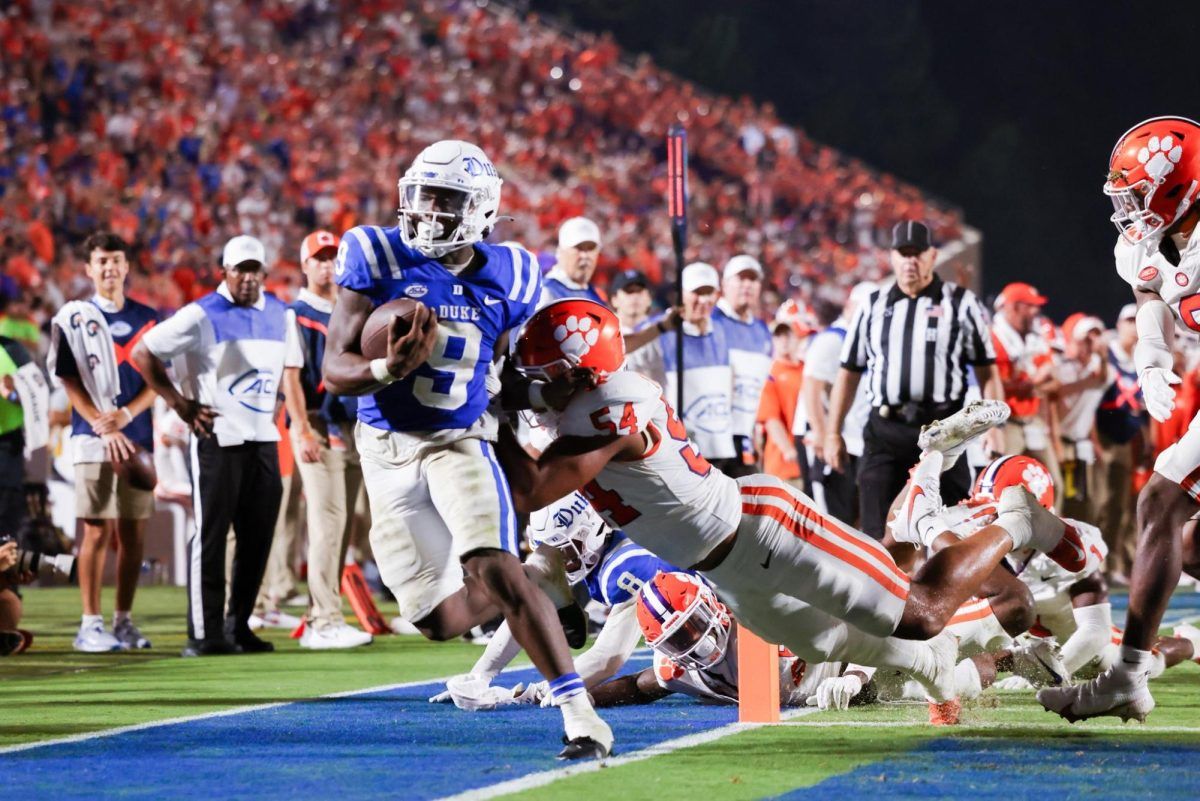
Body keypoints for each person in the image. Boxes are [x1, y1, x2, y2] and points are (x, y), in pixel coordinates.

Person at [500, 298, 1087, 709]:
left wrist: (484, 413)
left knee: (922, 612)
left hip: (764, 528)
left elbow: (529, 489)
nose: (537, 387)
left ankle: (1016, 518)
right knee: (823, 645)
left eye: (548, 376)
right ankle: (932, 659)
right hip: (721, 568)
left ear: (585, 375)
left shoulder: (609, 411)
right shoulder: (583, 403)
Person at [320, 140, 612, 760]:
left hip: (461, 438)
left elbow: (507, 381)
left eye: (445, 200)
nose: (428, 212)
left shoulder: (510, 271)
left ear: (480, 210)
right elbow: (333, 368)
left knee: (490, 564)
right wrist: (383, 367)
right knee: (436, 620)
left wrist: (544, 388)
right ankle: (540, 587)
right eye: (422, 197)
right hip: (385, 447)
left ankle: (579, 713)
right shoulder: (373, 253)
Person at [1040, 115, 1200, 722]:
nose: (1127, 207)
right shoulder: (1159, 241)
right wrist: (1153, 360)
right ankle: (1129, 675)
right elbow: (1151, 292)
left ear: (1175, 185)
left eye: (1137, 192)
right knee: (1188, 543)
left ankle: (1127, 676)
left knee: (1160, 502)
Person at [133, 234, 303, 657]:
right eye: (238, 269)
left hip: (263, 440)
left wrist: (278, 404)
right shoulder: (200, 314)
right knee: (210, 536)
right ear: (223, 273)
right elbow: (142, 353)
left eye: (253, 270)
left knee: (257, 538)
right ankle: (204, 634)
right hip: (217, 439)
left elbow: (287, 371)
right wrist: (180, 404)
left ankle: (238, 626)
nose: (247, 278)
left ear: (265, 274)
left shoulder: (281, 315)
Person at [826, 221, 1003, 540]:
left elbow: (986, 368)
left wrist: (994, 430)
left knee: (954, 524)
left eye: (917, 253)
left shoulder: (960, 303)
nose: (910, 261)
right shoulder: (873, 304)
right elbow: (848, 372)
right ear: (892, 257)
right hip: (885, 431)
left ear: (932, 255)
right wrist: (831, 432)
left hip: (945, 429)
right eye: (903, 253)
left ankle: (954, 589)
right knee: (876, 531)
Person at [430, 490, 678, 709]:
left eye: (565, 549)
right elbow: (525, 608)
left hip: (707, 627)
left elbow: (608, 659)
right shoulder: (595, 547)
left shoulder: (623, 569)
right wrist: (479, 678)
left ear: (593, 531)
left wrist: (536, 692)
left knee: (669, 675)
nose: (558, 561)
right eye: (549, 550)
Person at [51, 232, 158, 653]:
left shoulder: (149, 318)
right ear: (88, 269)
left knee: (133, 535)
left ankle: (123, 621)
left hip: (137, 437)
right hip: (92, 437)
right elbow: (68, 378)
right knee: (95, 530)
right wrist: (101, 422)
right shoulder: (72, 318)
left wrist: (127, 416)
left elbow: (158, 381)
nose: (109, 267)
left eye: (116, 260)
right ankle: (89, 625)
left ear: (127, 266)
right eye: (101, 261)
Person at [281, 230, 372, 650]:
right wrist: (301, 429)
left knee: (344, 524)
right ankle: (324, 617)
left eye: (333, 257)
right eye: (319, 258)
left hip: (350, 427)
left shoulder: (348, 309)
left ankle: (326, 611)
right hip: (318, 425)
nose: (326, 264)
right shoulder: (295, 313)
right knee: (327, 523)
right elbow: (292, 378)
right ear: (304, 265)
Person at [802, 284, 877, 523]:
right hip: (836, 443)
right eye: (862, 308)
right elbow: (811, 389)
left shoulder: (863, 338)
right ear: (849, 306)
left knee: (858, 520)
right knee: (833, 524)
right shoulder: (832, 340)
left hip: (856, 442)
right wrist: (823, 435)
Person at [657, 262, 737, 472]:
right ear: (680, 294)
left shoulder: (722, 330)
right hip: (682, 449)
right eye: (696, 292)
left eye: (708, 292)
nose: (703, 300)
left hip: (722, 446)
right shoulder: (662, 331)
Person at [991, 282, 1062, 507]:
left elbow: (1050, 373)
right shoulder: (994, 338)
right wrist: (1025, 383)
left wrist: (1029, 382)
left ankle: (1053, 539)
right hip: (1007, 422)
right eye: (1030, 306)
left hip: (1032, 419)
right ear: (1014, 308)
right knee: (998, 484)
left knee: (1054, 483)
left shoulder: (1035, 335)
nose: (1035, 312)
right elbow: (995, 383)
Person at [1092, 303, 1149, 581]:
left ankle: (1112, 563)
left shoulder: (1141, 357)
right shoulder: (1107, 354)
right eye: (1130, 321)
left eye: (1138, 320)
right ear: (1119, 324)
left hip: (1127, 439)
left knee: (1120, 506)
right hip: (1101, 437)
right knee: (1099, 503)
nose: (1135, 326)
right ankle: (1094, 562)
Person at [713, 255, 773, 475]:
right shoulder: (711, 321)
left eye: (753, 280)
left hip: (746, 433)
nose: (747, 285)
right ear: (725, 284)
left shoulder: (762, 331)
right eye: (741, 279)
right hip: (713, 431)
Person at [1054, 314, 1109, 522]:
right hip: (1061, 440)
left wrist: (1094, 440)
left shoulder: (1099, 368)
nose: (1090, 344)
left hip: (1082, 444)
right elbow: (1054, 395)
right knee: (1061, 500)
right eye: (1087, 338)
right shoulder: (1062, 366)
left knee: (1087, 502)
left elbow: (1090, 406)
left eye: (1095, 338)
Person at [756, 305, 808, 487]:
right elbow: (770, 419)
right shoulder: (770, 373)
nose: (783, 340)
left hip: (809, 460)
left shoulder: (807, 369)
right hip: (783, 465)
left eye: (788, 334)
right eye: (778, 335)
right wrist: (788, 450)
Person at [539, 217, 606, 306]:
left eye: (591, 248)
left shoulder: (596, 295)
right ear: (560, 251)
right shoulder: (545, 292)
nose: (585, 256)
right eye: (578, 248)